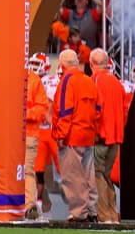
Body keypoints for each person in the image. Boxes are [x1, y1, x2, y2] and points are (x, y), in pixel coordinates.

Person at [52, 49, 99, 222]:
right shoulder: (88, 80)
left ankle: (79, 213)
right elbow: (98, 108)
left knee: (72, 176)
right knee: (88, 175)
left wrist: (61, 135)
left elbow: (65, 110)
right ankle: (92, 210)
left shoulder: (67, 81)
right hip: (88, 135)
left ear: (62, 65)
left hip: (72, 136)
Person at [89, 47, 125, 223]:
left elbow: (94, 110)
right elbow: (124, 111)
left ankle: (105, 216)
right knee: (106, 175)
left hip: (101, 137)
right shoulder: (117, 83)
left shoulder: (94, 81)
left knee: (98, 175)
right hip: (116, 137)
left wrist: (94, 132)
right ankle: (112, 213)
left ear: (91, 64)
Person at [24, 53, 51, 220]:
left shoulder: (34, 80)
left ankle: (30, 206)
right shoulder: (6, 77)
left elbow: (42, 108)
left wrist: (23, 114)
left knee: (29, 170)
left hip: (29, 132)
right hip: (8, 134)